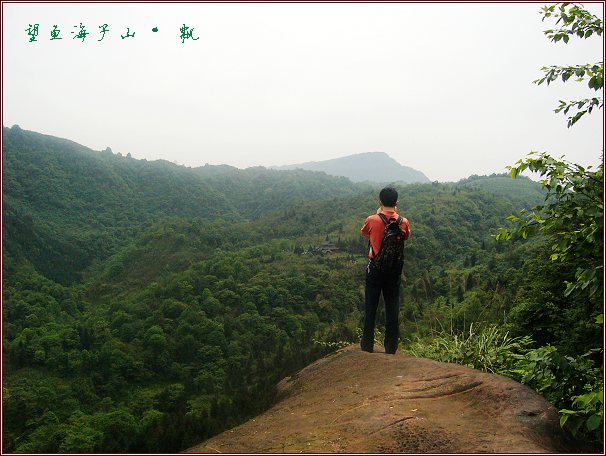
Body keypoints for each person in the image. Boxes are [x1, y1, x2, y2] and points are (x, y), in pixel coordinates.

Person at [360, 187, 411, 354]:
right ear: (396, 203)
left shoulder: (372, 219)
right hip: (394, 271)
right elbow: (406, 236)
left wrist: (378, 215)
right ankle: (391, 347)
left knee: (370, 307)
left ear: (380, 202)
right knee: (392, 307)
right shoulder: (403, 221)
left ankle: (367, 346)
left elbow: (364, 233)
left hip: (375, 268)